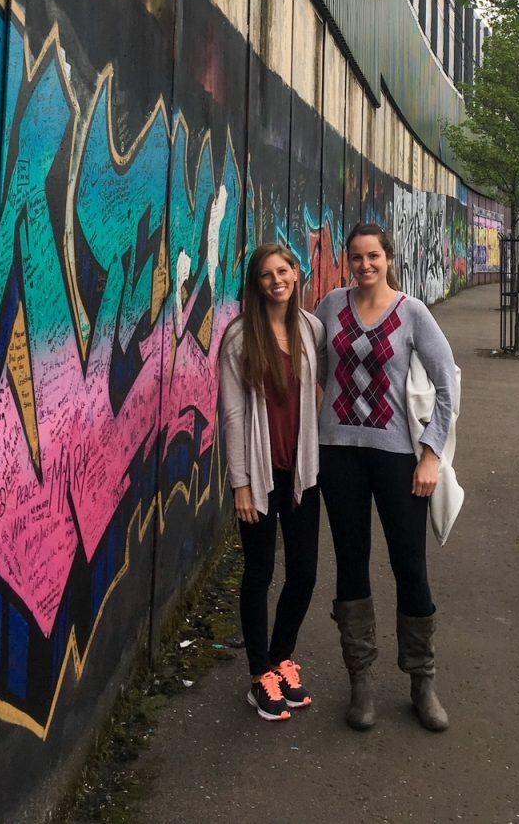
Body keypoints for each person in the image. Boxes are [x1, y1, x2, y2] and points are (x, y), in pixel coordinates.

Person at [315, 223, 457, 733]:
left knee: (409, 565)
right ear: (347, 261)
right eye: (356, 257)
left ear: (389, 258)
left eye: (373, 256)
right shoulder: (330, 306)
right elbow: (310, 367)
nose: (364, 265)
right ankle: (362, 682)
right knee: (351, 565)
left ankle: (422, 681)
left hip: (399, 458)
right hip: (339, 456)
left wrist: (431, 454)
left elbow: (448, 382)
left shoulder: (412, 312)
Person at [218, 243, 325, 721]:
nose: (276, 280)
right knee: (259, 573)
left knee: (304, 572)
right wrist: (240, 483)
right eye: (266, 275)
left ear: (296, 274)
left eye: (283, 271)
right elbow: (234, 415)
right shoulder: (240, 337)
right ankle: (259, 673)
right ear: (256, 283)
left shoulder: (311, 329)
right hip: (261, 476)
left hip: (302, 471)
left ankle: (282, 658)